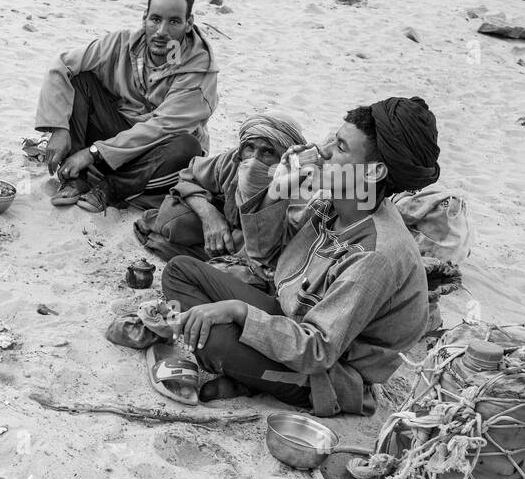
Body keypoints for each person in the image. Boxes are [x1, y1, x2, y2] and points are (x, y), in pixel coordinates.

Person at [159, 97, 439, 415]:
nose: (324, 152)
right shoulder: (332, 204)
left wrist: (238, 311)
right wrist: (277, 189)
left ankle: (257, 376)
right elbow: (264, 257)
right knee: (179, 271)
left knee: (214, 340)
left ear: (374, 172)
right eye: (332, 139)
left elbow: (317, 350)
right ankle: (248, 374)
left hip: (323, 374)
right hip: (288, 318)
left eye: (341, 148)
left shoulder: (376, 255)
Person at [36, 0, 218, 212]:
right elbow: (62, 65)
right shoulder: (121, 43)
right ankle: (77, 178)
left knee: (187, 146)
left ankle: (109, 189)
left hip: (157, 150)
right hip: (116, 135)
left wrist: (94, 153)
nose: (162, 31)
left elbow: (162, 127)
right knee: (80, 81)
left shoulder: (199, 70)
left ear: (188, 23)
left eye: (174, 21)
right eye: (155, 19)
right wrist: (58, 127)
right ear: (144, 18)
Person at [134, 111, 304, 288]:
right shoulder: (232, 162)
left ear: (285, 158)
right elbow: (188, 177)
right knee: (173, 218)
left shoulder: (296, 189)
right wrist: (210, 216)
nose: (254, 159)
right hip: (226, 231)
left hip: (258, 253)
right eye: (250, 147)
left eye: (268, 151)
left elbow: (279, 254)